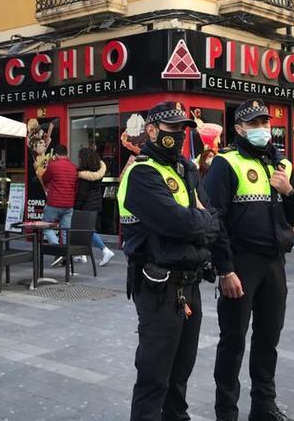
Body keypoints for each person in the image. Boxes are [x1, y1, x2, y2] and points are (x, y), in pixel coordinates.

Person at [206, 99, 294, 421]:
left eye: (265, 123)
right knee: (233, 340)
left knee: (269, 337)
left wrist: (289, 190)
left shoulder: (283, 165)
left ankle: (264, 406)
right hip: (241, 262)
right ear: (239, 128)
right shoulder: (226, 163)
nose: (262, 129)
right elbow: (214, 220)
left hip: (274, 263)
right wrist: (225, 269)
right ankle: (226, 412)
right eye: (253, 124)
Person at [117, 101, 218, 421]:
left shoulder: (186, 168)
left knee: (181, 371)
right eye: (172, 128)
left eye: (183, 129)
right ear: (151, 131)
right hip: (157, 286)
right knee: (154, 374)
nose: (178, 134)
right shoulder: (141, 173)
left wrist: (201, 222)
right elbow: (178, 223)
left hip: (190, 283)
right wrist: (200, 220)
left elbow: (213, 219)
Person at [75, 148, 116, 267]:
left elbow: (82, 193)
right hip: (96, 203)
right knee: (86, 229)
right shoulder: (99, 171)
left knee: (88, 230)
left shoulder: (84, 175)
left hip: (87, 204)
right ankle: (81, 254)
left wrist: (76, 206)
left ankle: (105, 250)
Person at [39, 144, 78, 253]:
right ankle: (65, 255)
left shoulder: (52, 166)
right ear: (67, 154)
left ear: (55, 155)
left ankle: (57, 250)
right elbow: (76, 186)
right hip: (69, 204)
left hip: (54, 203)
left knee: (46, 226)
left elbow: (44, 179)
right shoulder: (73, 167)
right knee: (65, 231)